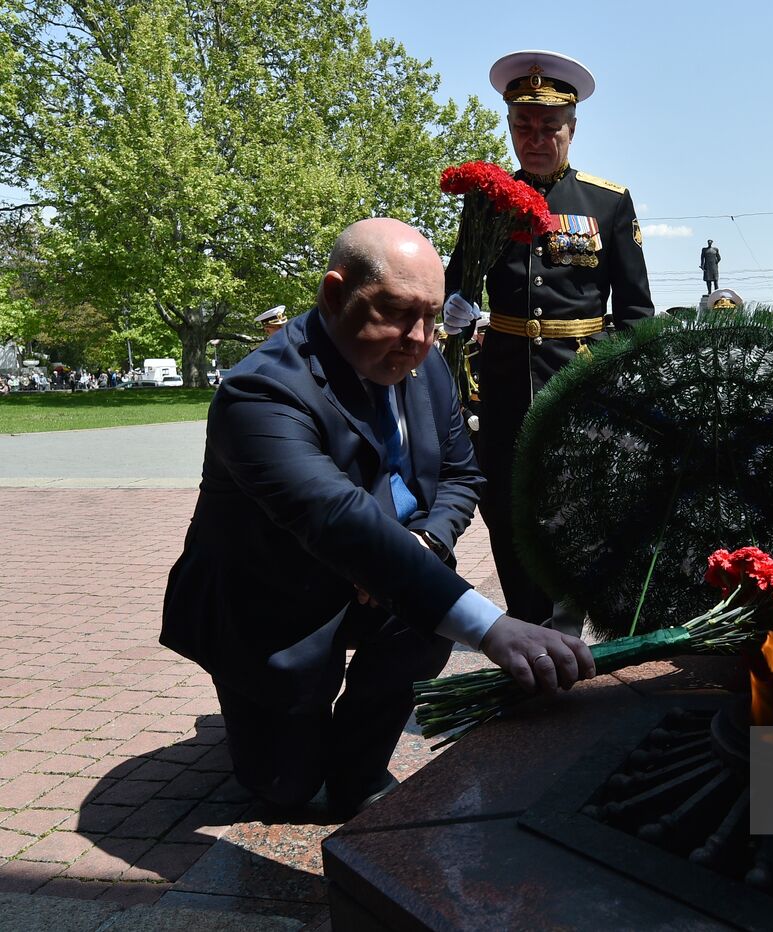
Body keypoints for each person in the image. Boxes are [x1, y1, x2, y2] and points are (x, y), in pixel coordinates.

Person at [161, 219, 594, 816]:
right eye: (394, 311)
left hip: (381, 581)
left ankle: (357, 765)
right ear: (334, 295)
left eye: (433, 316)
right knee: (287, 792)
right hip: (272, 609)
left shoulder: (427, 364)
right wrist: (494, 628)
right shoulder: (259, 395)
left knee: (419, 629)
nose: (418, 338)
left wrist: (420, 544)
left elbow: (461, 477)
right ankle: (290, 746)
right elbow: (337, 518)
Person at [443, 50, 654, 633]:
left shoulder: (606, 202)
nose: (535, 138)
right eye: (522, 126)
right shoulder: (487, 198)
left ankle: (568, 615)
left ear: (572, 128)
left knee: (579, 502)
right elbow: (460, 275)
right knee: (506, 503)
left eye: (549, 126)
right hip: (506, 378)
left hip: (580, 378)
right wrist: (454, 303)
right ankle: (528, 614)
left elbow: (635, 311)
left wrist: (627, 390)